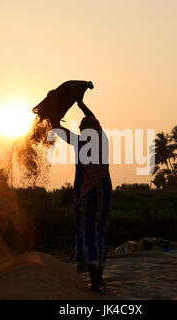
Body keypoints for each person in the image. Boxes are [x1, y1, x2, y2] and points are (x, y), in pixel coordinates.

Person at [50, 100, 112, 292]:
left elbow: (59, 130)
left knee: (90, 235)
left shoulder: (82, 142)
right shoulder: (102, 139)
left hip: (90, 194)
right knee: (99, 235)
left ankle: (95, 282)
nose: (82, 130)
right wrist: (80, 103)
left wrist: (52, 118)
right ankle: (98, 278)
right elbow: (94, 120)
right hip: (105, 193)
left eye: (83, 127)